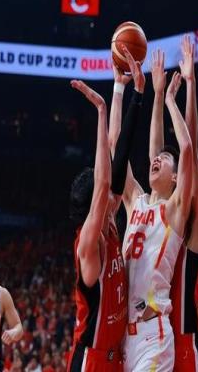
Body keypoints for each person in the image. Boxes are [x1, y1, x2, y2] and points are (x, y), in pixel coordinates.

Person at [120, 46, 194, 372]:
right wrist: (137, 91)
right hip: (123, 334)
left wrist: (169, 101)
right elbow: (118, 149)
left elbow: (186, 149)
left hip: (153, 333)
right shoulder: (136, 199)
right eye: (156, 159)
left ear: (175, 178)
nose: (156, 160)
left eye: (164, 161)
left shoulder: (175, 209)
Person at [67, 71, 144, 371]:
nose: (113, 195)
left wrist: (120, 90)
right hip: (92, 358)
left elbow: (117, 154)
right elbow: (102, 184)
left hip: (117, 357)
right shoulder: (88, 242)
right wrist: (101, 110)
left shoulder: (110, 222)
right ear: (94, 207)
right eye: (104, 196)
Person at [149, 37, 198, 371]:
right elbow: (156, 155)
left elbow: (192, 152)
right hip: (154, 338)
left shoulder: (195, 229)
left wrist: (190, 85)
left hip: (185, 345)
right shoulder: (163, 216)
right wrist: (157, 96)